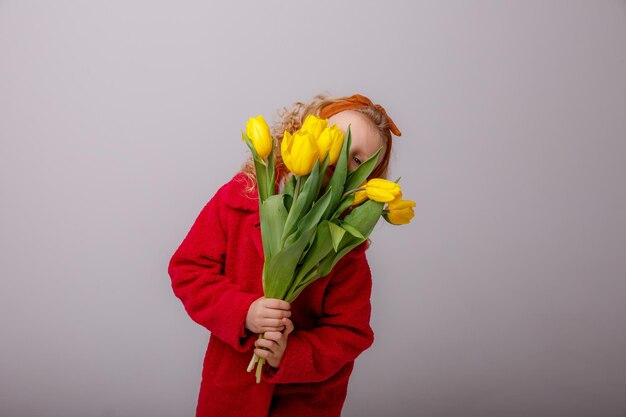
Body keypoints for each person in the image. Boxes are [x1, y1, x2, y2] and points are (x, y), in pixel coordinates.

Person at [168, 93, 402, 417]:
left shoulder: (346, 252)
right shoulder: (241, 199)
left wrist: (288, 355)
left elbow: (349, 333)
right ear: (307, 131)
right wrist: (244, 312)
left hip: (306, 401)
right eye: (336, 138)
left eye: (359, 160)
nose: (340, 158)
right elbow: (188, 270)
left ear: (368, 182)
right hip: (233, 390)